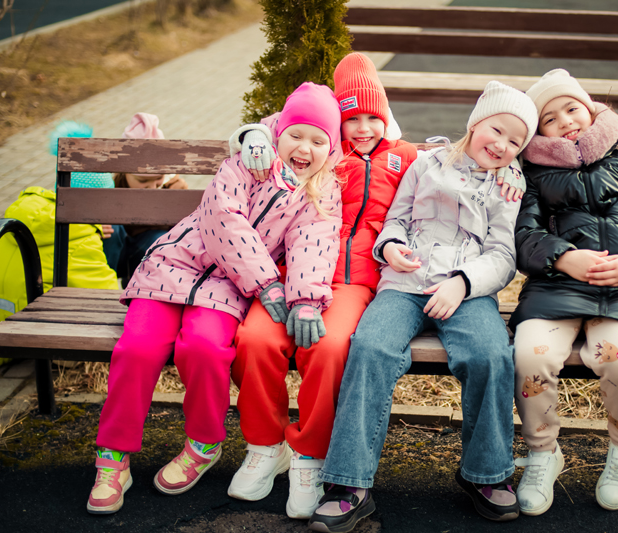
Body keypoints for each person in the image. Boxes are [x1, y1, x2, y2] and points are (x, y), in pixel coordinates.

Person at [85, 82, 343, 515]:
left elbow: (314, 243)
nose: (304, 148)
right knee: (138, 348)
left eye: (318, 141)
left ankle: (203, 444)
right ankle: (112, 456)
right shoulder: (246, 162)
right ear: (278, 132)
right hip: (173, 264)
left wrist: (304, 300)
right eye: (296, 134)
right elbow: (224, 218)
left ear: (331, 148)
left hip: (228, 287)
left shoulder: (322, 191)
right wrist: (266, 283)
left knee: (205, 348)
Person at [306, 80, 539, 532]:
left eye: (515, 142)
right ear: (476, 122)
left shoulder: (507, 186)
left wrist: (463, 283)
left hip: (466, 292)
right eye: (497, 130)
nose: (502, 145)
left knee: (490, 354)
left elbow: (502, 255)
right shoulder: (426, 163)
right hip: (404, 283)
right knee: (370, 347)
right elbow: (395, 217)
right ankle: (350, 484)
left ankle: (486, 473)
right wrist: (390, 247)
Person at [223, 52, 419, 520]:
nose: (363, 128)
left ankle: (309, 456)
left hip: (354, 281)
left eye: (373, 117)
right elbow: (279, 127)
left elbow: (456, 165)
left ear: (386, 115)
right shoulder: (325, 149)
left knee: (329, 348)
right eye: (352, 118)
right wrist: (250, 135)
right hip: (291, 271)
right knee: (254, 340)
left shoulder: (406, 156)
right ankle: (265, 446)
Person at [509, 69, 618, 516]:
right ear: (538, 133)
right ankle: (543, 453)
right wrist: (564, 257)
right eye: (550, 118)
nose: (565, 121)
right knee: (530, 356)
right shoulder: (533, 175)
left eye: (572, 109)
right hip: (555, 288)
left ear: (590, 111)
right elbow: (522, 234)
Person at [101, 113, 189, 281]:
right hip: (115, 254)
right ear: (124, 172)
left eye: (158, 179)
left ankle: (140, 285)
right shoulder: (112, 184)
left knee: (158, 238)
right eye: (143, 181)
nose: (152, 187)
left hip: (144, 251)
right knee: (111, 228)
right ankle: (103, 284)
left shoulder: (173, 186)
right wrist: (96, 224)